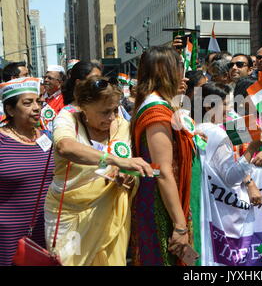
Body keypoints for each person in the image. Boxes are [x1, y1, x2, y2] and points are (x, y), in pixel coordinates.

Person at [44, 76, 152, 266]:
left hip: (110, 213)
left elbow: (127, 166)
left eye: (114, 110)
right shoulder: (67, 118)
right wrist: (115, 161)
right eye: (104, 112)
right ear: (83, 107)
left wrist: (125, 176)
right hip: (70, 215)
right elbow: (65, 147)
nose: (111, 117)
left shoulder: (122, 126)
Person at [130, 46, 197, 266]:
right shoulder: (155, 110)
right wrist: (179, 225)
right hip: (161, 205)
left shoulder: (163, 104)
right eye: (179, 66)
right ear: (165, 71)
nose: (183, 72)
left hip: (169, 199)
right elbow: (163, 170)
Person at [0, 78, 53, 266]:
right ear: (11, 110)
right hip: (8, 237)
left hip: (45, 232)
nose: (37, 108)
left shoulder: (48, 138)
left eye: (38, 101)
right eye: (27, 103)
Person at [194, 82, 262, 207]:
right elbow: (231, 177)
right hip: (222, 209)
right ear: (209, 107)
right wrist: (252, 148)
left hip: (204, 202)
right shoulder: (217, 133)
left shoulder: (195, 129)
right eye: (225, 104)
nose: (229, 110)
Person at [41, 65, 66, 130]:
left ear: (60, 83)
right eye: (45, 77)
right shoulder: (39, 97)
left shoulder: (64, 100)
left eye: (50, 78)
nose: (46, 80)